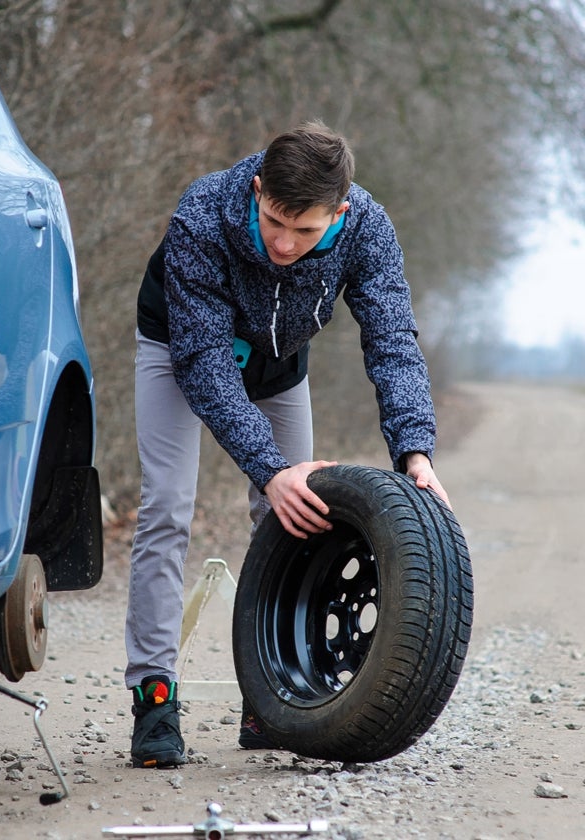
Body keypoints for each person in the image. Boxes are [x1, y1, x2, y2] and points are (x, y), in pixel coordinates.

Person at [124, 120, 451, 768]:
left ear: (339, 215)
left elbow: (391, 341)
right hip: (180, 346)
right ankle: (153, 697)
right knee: (168, 506)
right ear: (257, 190)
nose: (283, 242)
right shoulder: (202, 214)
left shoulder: (367, 229)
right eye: (274, 220)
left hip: (280, 359)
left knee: (293, 517)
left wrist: (414, 451)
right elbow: (206, 365)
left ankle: (268, 697)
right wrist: (270, 467)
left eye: (304, 231)